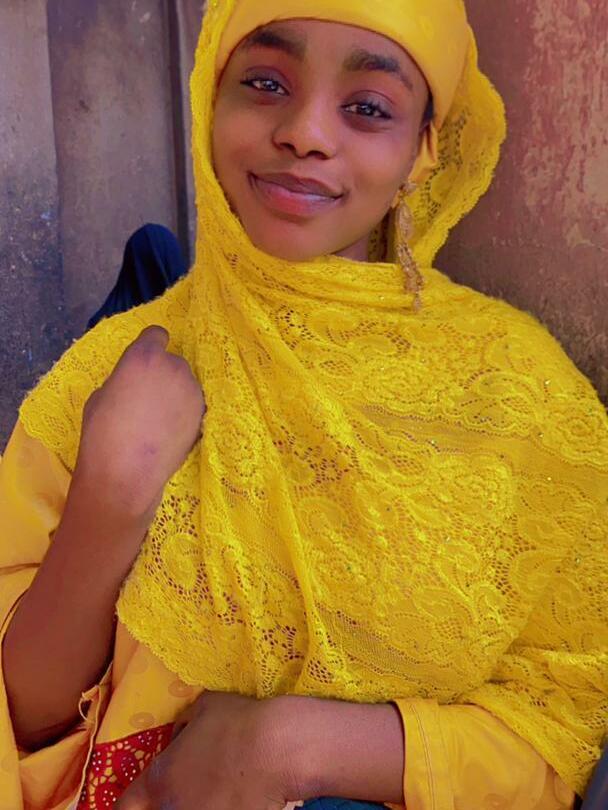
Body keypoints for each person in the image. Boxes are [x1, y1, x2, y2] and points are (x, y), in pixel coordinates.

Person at [0, 1, 606, 809]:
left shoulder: (526, 400)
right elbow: (24, 716)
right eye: (264, 83)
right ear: (209, 99)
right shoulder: (105, 380)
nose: (306, 133)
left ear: (424, 148)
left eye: (368, 108)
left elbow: (563, 725)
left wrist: (290, 747)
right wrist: (108, 498)